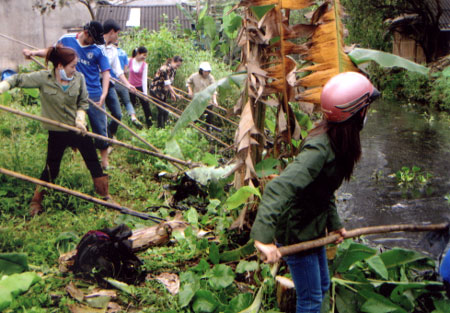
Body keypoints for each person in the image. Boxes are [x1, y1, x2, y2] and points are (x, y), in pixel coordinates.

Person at [250, 71, 380, 313]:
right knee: (310, 300)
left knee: (322, 286)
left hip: (313, 226)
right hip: (298, 231)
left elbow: (324, 188)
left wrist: (335, 224)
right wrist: (263, 239)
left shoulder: (338, 142)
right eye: (366, 108)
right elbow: (279, 186)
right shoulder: (319, 150)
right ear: (356, 113)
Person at [0, 45, 112, 216]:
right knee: (51, 168)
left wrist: (80, 118)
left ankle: (104, 196)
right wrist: (4, 86)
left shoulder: (79, 78)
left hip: (78, 130)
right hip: (56, 132)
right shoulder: (43, 78)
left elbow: (83, 102)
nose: (75, 69)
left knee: (93, 163)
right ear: (59, 65)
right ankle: (36, 202)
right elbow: (17, 79)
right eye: (72, 66)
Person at [23, 21, 112, 170]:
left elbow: (106, 72)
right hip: (71, 89)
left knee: (100, 126)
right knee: (72, 122)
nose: (95, 42)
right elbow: (52, 52)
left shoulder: (99, 48)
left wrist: (104, 93)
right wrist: (34, 53)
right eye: (93, 38)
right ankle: (74, 150)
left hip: (94, 93)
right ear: (86, 32)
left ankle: (104, 160)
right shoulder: (66, 39)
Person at [102, 19, 137, 143]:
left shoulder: (113, 50)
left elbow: (119, 70)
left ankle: (110, 135)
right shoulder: (97, 46)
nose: (118, 36)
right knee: (102, 115)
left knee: (118, 114)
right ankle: (106, 141)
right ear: (112, 32)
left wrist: (128, 85)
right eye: (117, 33)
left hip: (110, 84)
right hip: (96, 84)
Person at [114, 42, 142, 129]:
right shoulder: (123, 53)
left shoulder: (108, 52)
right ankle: (133, 117)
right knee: (127, 102)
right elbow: (125, 70)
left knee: (113, 102)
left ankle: (118, 116)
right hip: (122, 81)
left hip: (111, 81)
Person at [149, 56, 183, 128]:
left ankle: (164, 127)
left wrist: (171, 94)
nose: (177, 67)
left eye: (179, 66)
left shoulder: (173, 71)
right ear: (173, 61)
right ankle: (160, 128)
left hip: (162, 92)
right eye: (177, 65)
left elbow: (170, 83)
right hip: (155, 91)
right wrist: (175, 94)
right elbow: (167, 83)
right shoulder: (165, 68)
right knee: (161, 110)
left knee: (165, 110)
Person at [128, 46, 152, 128]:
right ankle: (131, 124)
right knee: (131, 105)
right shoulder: (129, 61)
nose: (144, 57)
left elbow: (144, 80)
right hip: (130, 87)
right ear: (138, 54)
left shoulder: (145, 65)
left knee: (146, 106)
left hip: (140, 87)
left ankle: (149, 125)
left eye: (146, 55)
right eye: (143, 55)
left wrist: (145, 94)